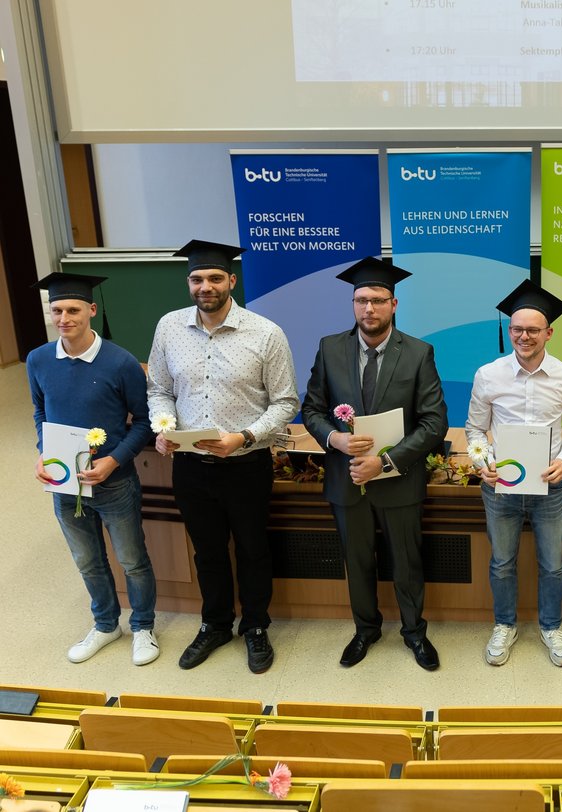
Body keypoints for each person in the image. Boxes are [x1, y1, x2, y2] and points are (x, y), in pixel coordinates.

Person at [148, 239, 299, 674]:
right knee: (207, 551)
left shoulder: (265, 332)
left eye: (215, 278)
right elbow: (159, 389)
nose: (205, 286)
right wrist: (163, 426)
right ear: (188, 282)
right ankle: (215, 624)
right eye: (197, 279)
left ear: (231, 281)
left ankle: (255, 626)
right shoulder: (169, 328)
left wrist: (245, 437)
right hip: (190, 466)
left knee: (252, 549)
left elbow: (285, 402)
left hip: (246, 464)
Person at [301, 256, 449, 670]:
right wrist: (335, 438)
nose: (369, 308)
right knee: (358, 559)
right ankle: (365, 630)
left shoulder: (418, 353)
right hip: (346, 478)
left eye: (378, 300)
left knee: (406, 560)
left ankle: (414, 632)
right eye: (362, 300)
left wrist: (384, 463)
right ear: (353, 304)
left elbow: (435, 422)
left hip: (398, 481)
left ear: (394, 305)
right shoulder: (330, 349)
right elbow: (312, 408)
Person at [29, 272, 159, 666]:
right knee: (87, 559)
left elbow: (143, 422)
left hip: (114, 481)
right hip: (64, 482)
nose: (64, 318)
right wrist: (42, 451)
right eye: (57, 311)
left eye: (72, 309)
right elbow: (39, 411)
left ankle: (143, 626)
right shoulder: (38, 360)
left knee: (131, 559)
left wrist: (114, 460)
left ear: (91, 310)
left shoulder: (120, 362)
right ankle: (105, 624)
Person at [465, 280, 562, 668]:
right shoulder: (489, 375)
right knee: (502, 562)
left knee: (553, 563)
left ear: (549, 333)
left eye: (533, 329)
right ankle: (505, 624)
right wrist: (481, 462)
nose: (524, 336)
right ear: (509, 330)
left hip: (550, 487)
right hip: (500, 488)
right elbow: (473, 429)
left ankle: (551, 627)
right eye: (517, 329)